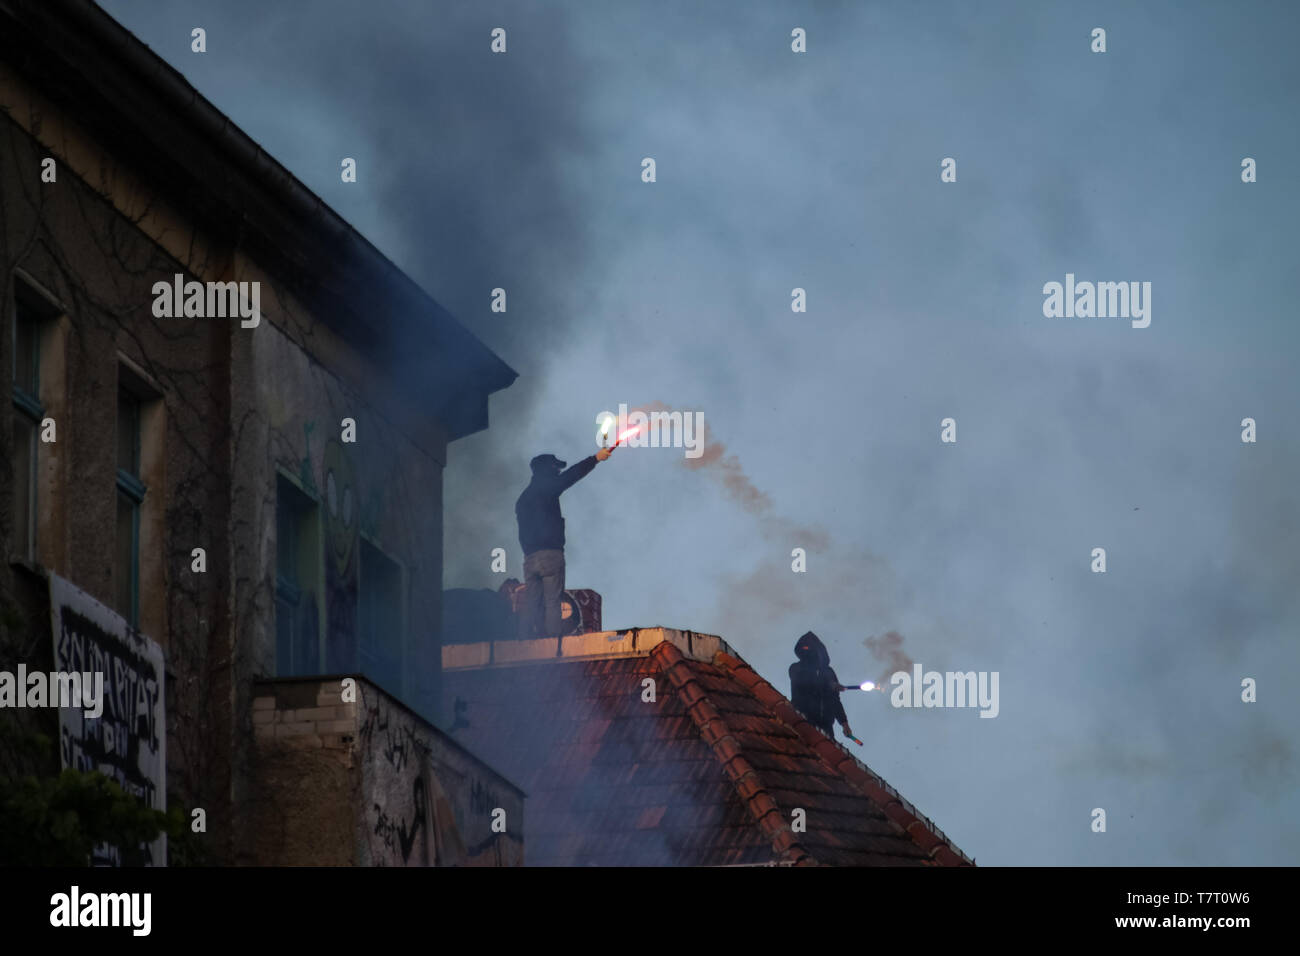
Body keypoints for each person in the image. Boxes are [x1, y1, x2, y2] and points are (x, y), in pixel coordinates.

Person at [515, 446, 614, 639]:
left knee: (532, 602)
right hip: (550, 555)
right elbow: (571, 476)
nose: (558, 471)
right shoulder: (547, 488)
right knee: (553, 601)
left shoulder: (522, 499)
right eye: (555, 469)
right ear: (548, 469)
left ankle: (523, 640)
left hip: (529, 558)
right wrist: (595, 459)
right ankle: (553, 643)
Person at [789, 631, 853, 740]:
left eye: (810, 648)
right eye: (804, 648)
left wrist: (844, 723)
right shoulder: (796, 668)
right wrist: (828, 685)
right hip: (802, 720)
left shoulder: (828, 672)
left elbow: (835, 701)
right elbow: (804, 685)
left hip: (826, 726)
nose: (807, 651)